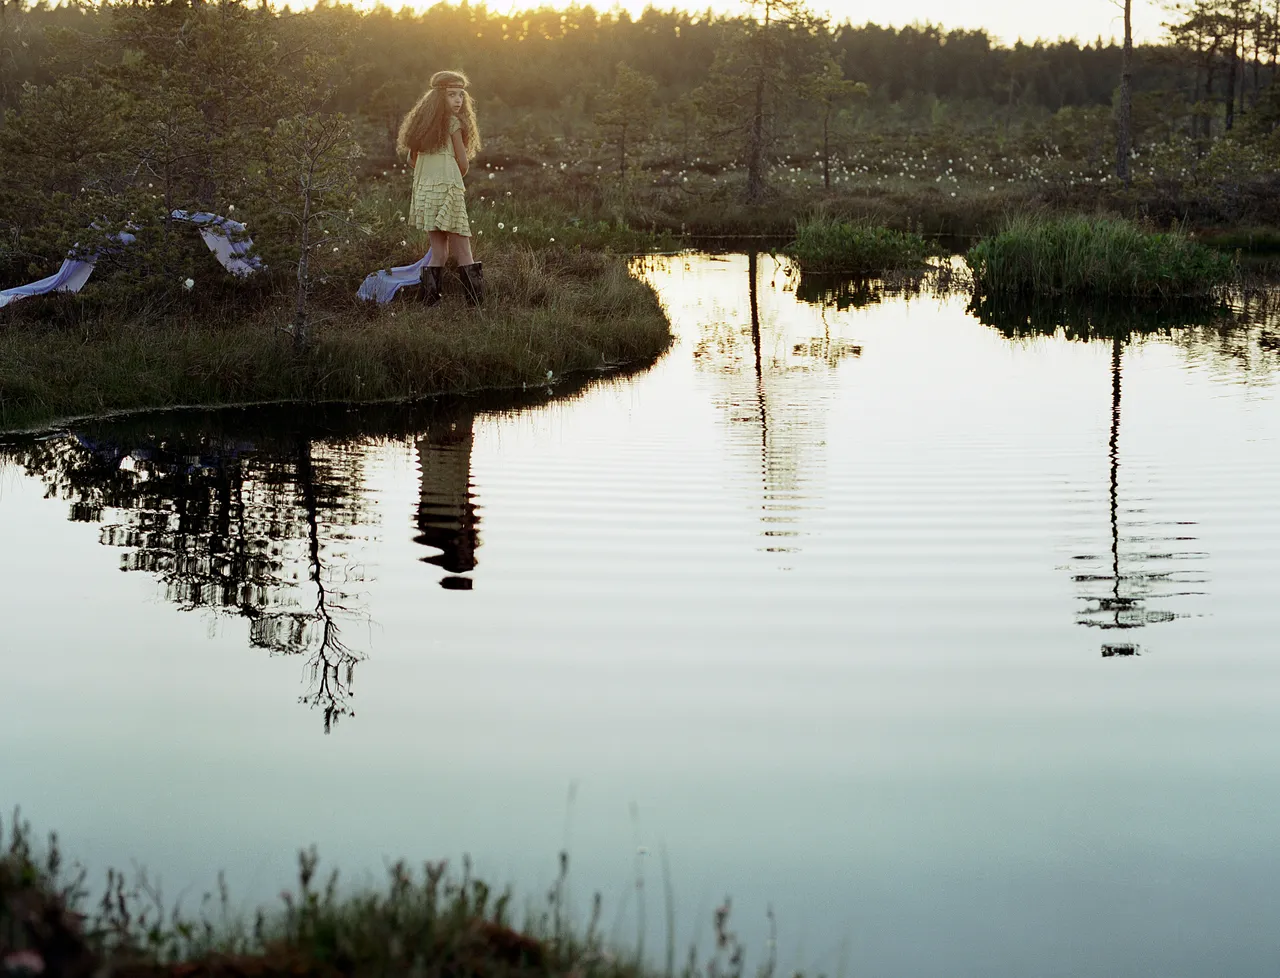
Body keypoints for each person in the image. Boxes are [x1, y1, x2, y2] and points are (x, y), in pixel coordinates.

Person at [397, 70, 483, 305]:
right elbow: (463, 163)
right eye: (451, 94)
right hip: (448, 191)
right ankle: (476, 307)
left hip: (426, 193)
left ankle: (429, 304)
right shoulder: (453, 123)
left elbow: (411, 160)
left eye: (461, 95)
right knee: (464, 252)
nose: (458, 100)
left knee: (439, 253)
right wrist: (450, 175)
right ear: (439, 97)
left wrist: (431, 173)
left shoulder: (421, 126)